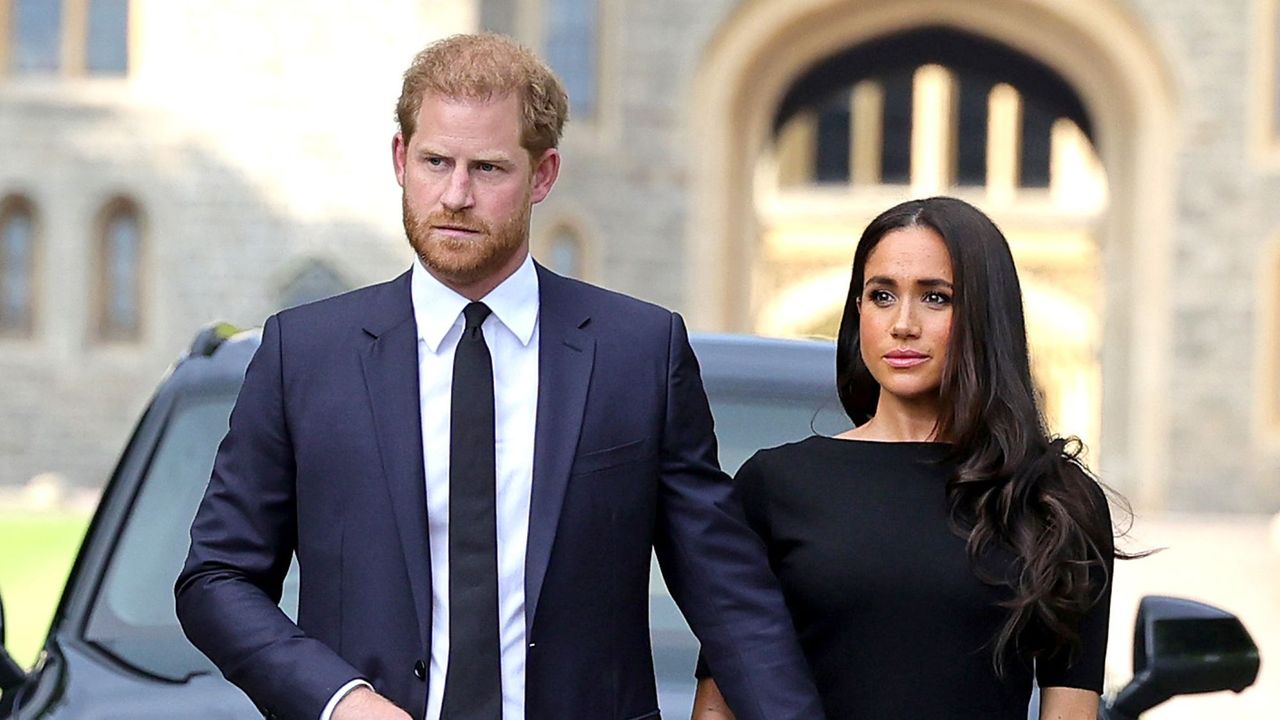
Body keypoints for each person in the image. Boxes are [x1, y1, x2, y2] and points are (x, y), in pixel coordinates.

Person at [174, 33, 822, 720]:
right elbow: (217, 578)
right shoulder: (302, 354)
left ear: (543, 175)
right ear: (401, 159)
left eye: (487, 168)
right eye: (435, 162)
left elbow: (730, 597)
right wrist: (339, 701)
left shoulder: (640, 354)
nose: (455, 195)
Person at [692, 196, 1117, 720]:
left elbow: (1071, 709)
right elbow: (719, 706)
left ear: (986, 315)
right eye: (882, 295)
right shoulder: (774, 485)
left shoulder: (1054, 500)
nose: (903, 324)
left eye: (936, 298)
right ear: (859, 311)